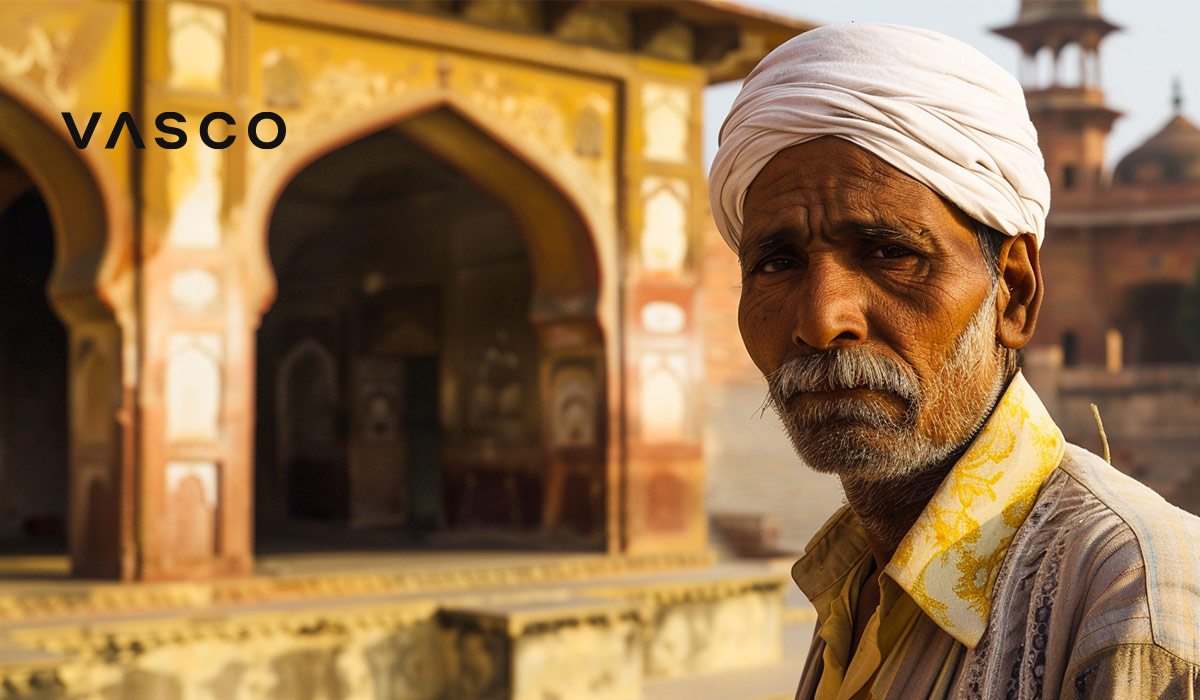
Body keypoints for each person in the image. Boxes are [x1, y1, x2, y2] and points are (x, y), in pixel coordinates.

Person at [709, 23, 1200, 700]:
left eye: (888, 253)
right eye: (777, 262)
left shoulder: (1132, 601)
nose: (822, 319)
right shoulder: (853, 581)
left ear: (1015, 295)